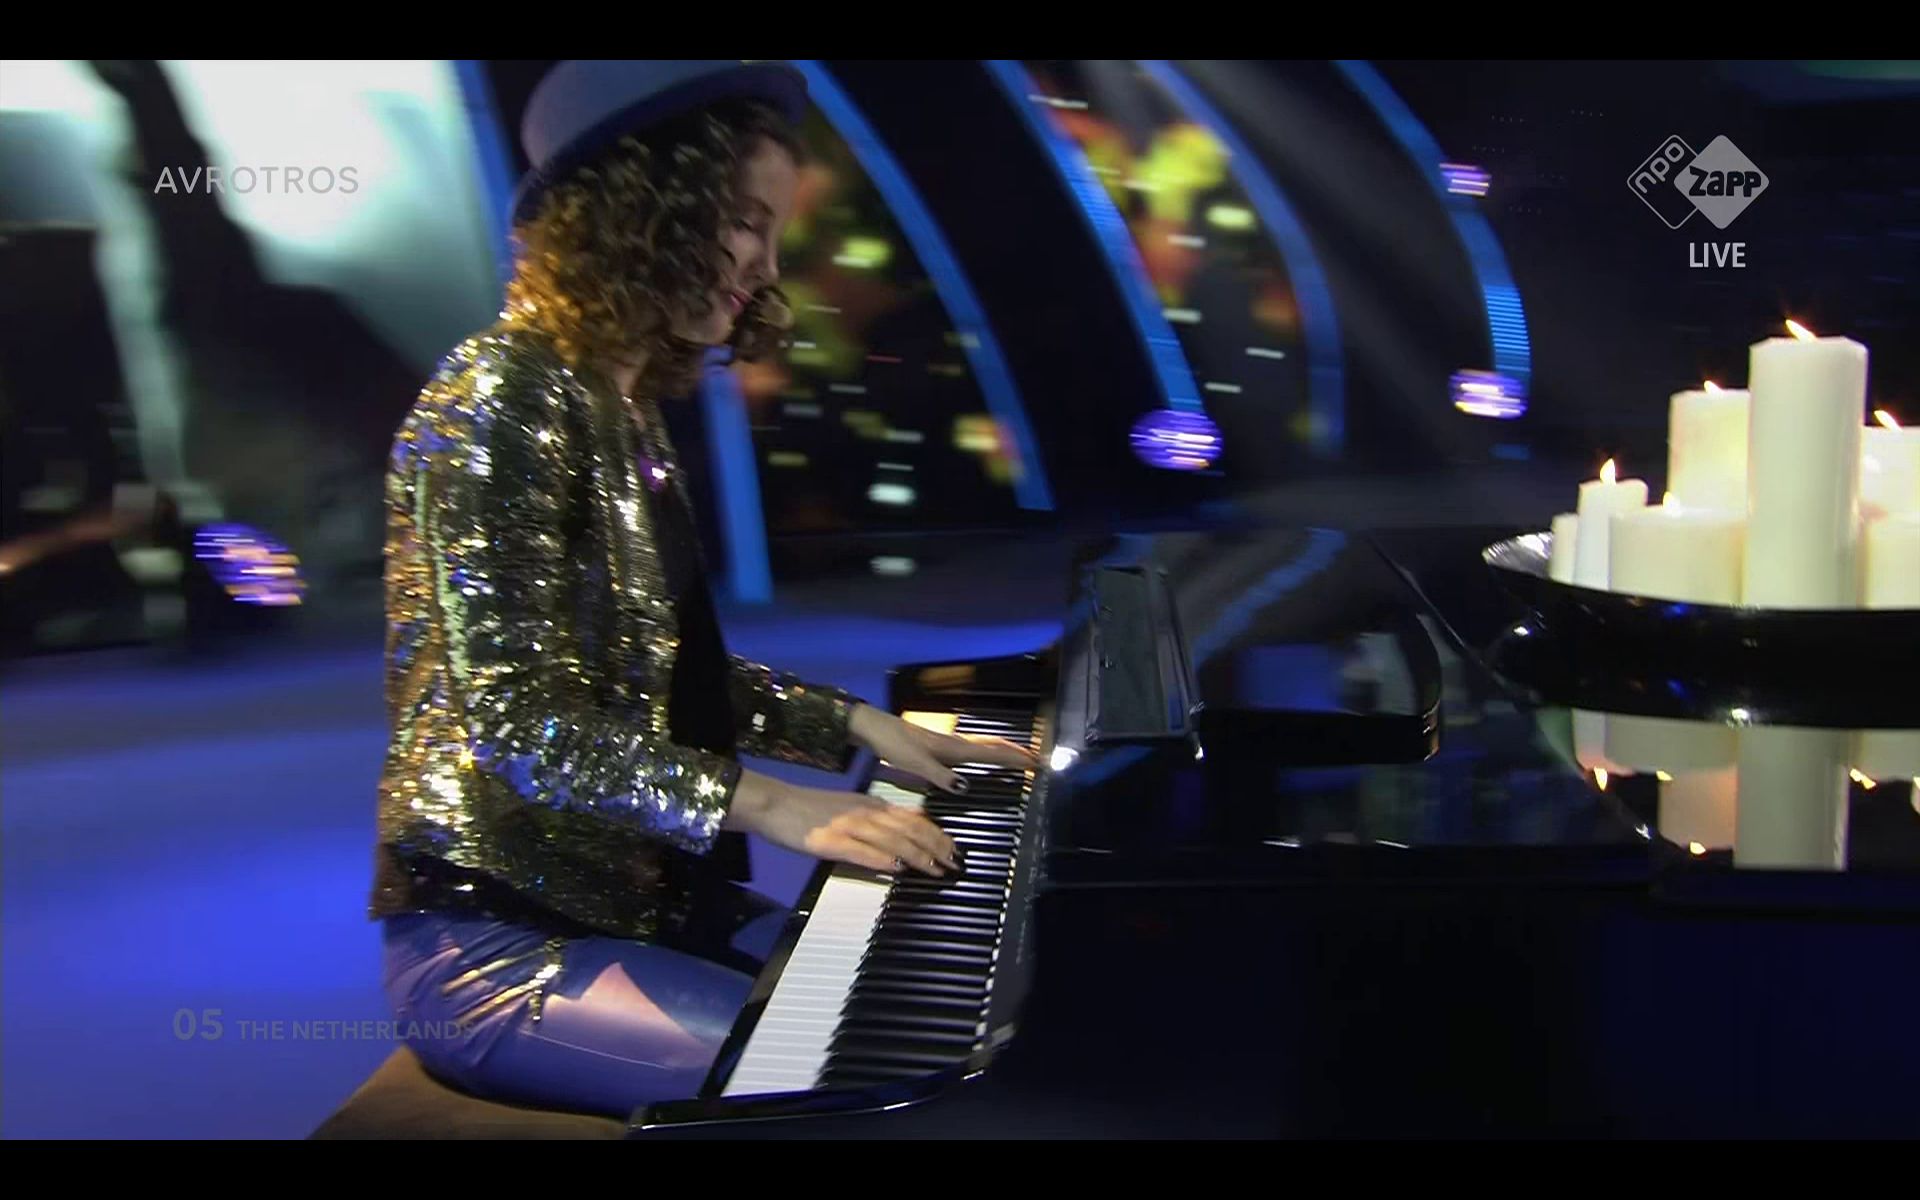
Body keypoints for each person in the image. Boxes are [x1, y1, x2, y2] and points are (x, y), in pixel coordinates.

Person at [369, 60, 1038, 1118]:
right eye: (743, 224)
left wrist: (862, 725)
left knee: (927, 1000)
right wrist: (774, 805)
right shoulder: (501, 396)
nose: (766, 267)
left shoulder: (617, 404)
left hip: (642, 907)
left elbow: (661, 676)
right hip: (497, 946)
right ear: (642, 215)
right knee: (854, 1076)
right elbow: (521, 723)